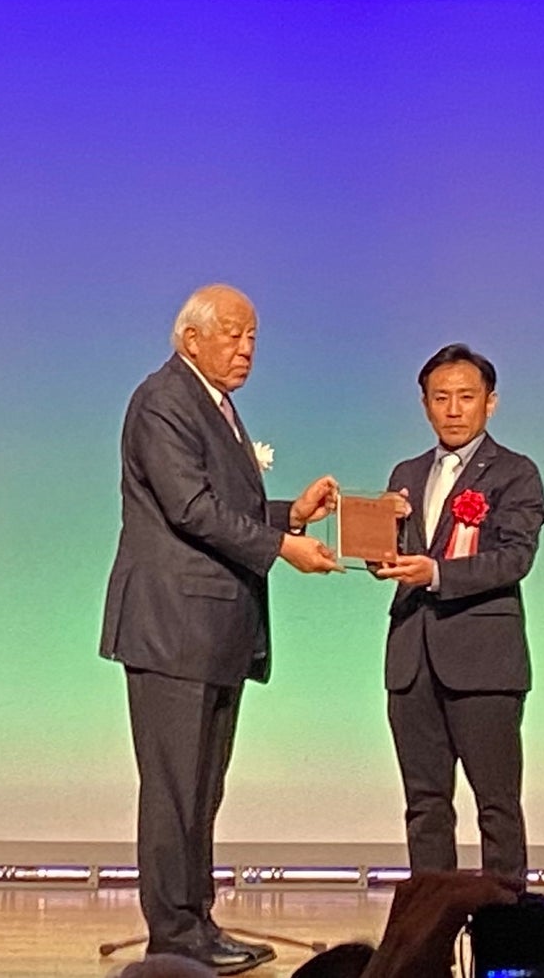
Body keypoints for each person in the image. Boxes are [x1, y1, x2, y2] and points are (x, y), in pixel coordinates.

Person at [100, 285, 342, 973]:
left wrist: (291, 514)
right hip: (173, 627)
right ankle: (174, 934)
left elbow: (225, 503)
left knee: (202, 790)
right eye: (232, 334)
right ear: (191, 339)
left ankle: (197, 923)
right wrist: (283, 547)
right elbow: (191, 508)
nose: (245, 348)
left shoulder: (214, 404)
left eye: (252, 336)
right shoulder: (163, 400)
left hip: (213, 629)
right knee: (175, 790)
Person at [377, 344, 544, 885]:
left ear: (490, 403)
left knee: (497, 806)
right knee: (424, 805)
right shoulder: (407, 472)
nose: (453, 409)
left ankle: (507, 923)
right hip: (412, 659)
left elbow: (514, 558)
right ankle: (432, 923)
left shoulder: (515, 473)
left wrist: (436, 574)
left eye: (466, 397)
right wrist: (379, 544)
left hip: (484, 663)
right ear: (425, 404)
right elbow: (395, 553)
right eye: (441, 398)